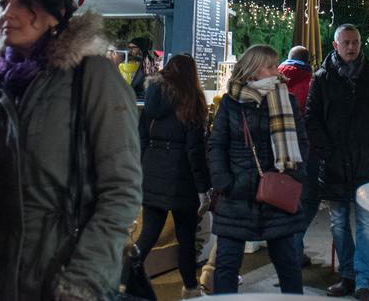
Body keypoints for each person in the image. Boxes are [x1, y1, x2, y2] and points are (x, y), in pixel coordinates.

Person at [0, 0, 141, 300]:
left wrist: (84, 278)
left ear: (57, 12)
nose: (8, 15)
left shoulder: (90, 77)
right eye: (3, 3)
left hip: (65, 275)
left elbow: (122, 190)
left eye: (23, 3)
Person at [305, 25, 369, 300]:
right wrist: (327, 150)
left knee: (367, 223)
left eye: (355, 42)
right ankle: (347, 274)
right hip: (334, 163)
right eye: (345, 42)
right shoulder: (322, 78)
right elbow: (312, 117)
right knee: (338, 222)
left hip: (366, 162)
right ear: (335, 46)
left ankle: (363, 278)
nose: (351, 47)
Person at [208, 44, 309, 295]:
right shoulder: (231, 103)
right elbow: (216, 145)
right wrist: (225, 182)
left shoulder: (287, 100)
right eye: (271, 66)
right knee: (227, 265)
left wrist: (292, 175)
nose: (278, 71)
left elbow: (302, 141)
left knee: (287, 264)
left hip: (277, 195)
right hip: (237, 196)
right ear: (253, 71)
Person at [136, 54, 211, 298]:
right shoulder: (192, 100)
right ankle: (190, 288)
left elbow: (142, 139)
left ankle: (123, 279)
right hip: (183, 179)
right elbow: (194, 150)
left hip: (152, 172)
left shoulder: (151, 97)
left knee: (147, 235)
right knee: (187, 238)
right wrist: (203, 189)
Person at [278, 45, 318, 264]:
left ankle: (291, 251)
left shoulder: (274, 80)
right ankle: (293, 248)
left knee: (284, 200)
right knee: (309, 199)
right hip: (306, 149)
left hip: (279, 150)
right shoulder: (312, 82)